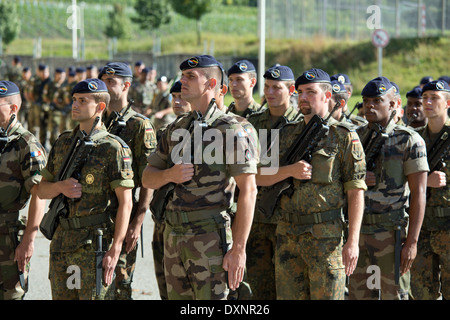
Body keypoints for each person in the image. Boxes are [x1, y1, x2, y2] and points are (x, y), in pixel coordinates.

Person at [142, 54, 258, 300]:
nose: (182, 81)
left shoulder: (232, 129)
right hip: (173, 235)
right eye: (183, 75)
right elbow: (147, 178)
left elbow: (249, 190)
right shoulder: (177, 128)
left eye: (191, 77)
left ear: (212, 84)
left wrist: (238, 249)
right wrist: (169, 175)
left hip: (210, 238)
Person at [260, 68, 366, 300]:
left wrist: (353, 242)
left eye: (311, 92)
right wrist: (289, 171)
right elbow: (258, 176)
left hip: (326, 240)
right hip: (288, 237)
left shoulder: (344, 136)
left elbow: (356, 191)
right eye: (300, 92)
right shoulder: (286, 133)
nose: (304, 98)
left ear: (327, 96)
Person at [37, 78, 135, 300]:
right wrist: (60, 187)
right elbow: (41, 191)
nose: (74, 105)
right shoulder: (63, 143)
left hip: (94, 246)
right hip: (62, 242)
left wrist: (115, 249)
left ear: (100, 107)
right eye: (74, 100)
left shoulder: (113, 148)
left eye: (82, 100)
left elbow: (126, 203)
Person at [349, 76, 428, 300]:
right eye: (365, 100)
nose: (369, 106)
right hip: (359, 233)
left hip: (391, 235)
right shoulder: (356, 137)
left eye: (377, 100)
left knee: (394, 295)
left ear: (393, 104)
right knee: (359, 295)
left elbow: (419, 194)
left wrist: (411, 243)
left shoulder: (409, 140)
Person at [99, 62, 157, 300]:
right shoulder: (96, 119)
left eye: (111, 82)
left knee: (120, 285)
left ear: (126, 86)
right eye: (103, 81)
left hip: (122, 216)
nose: (105, 86)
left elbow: (148, 178)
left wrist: (139, 219)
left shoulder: (139, 125)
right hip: (93, 217)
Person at [245, 64, 298, 300]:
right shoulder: (252, 124)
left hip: (289, 222)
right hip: (257, 219)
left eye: (276, 87)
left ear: (291, 89)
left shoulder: (303, 124)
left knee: (289, 290)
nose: (270, 92)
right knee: (260, 290)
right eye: (267, 87)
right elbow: (248, 174)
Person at [0, 80, 47, 300]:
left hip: (8, 236)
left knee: (11, 295)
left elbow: (39, 193)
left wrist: (29, 238)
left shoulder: (27, 144)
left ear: (13, 109)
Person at [410, 80, 450, 300]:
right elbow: (397, 179)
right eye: (425, 97)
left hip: (448, 227)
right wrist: (426, 180)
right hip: (421, 228)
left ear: (447, 102)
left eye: (434, 97)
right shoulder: (413, 138)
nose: (427, 102)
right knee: (422, 293)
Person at [43, 68, 66, 146]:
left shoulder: (66, 85)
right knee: (53, 130)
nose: (60, 78)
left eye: (62, 76)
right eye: (59, 76)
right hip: (53, 111)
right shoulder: (50, 85)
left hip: (64, 111)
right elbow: (44, 96)